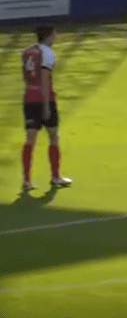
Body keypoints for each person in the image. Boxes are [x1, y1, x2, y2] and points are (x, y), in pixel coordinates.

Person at [20, 25, 71, 192]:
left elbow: (26, 75)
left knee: (30, 138)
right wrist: (46, 105)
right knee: (53, 135)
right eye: (54, 33)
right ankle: (55, 177)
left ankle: (27, 181)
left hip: (29, 97)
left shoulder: (27, 51)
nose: (56, 35)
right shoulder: (47, 53)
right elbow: (43, 78)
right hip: (44, 98)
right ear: (48, 35)